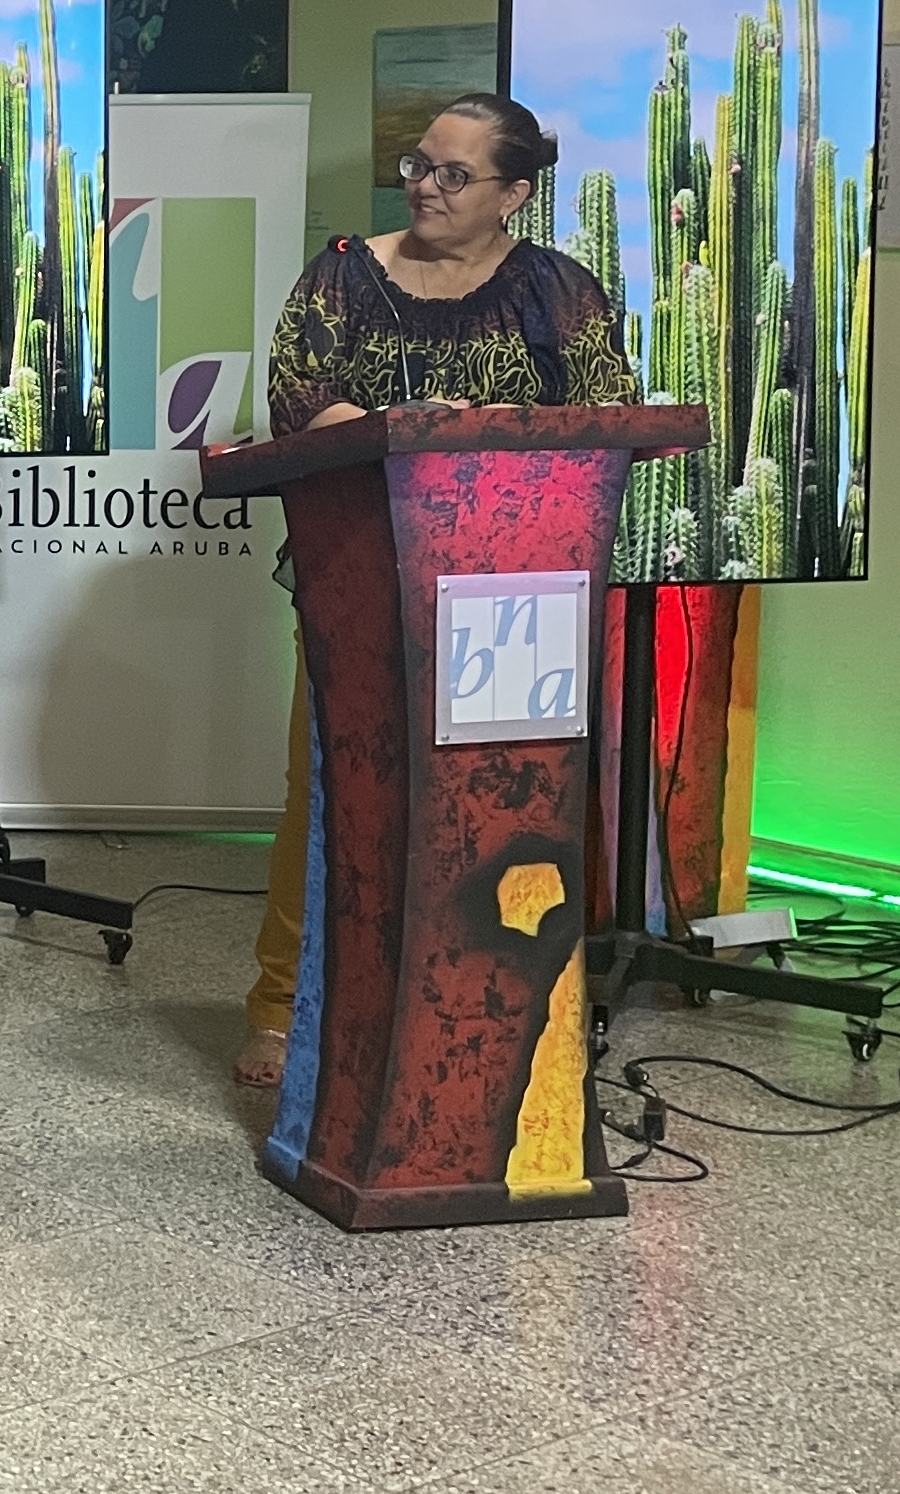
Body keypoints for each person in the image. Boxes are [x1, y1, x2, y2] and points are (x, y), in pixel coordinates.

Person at [233, 92, 636, 1090]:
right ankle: (282, 1007)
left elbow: (609, 415)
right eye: (418, 165)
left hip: (515, 597)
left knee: (499, 802)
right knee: (327, 788)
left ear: (513, 194)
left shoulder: (559, 291)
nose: (425, 186)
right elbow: (295, 401)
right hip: (361, 577)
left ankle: (492, 1006)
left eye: (455, 173)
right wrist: (409, 429)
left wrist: (487, 437)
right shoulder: (343, 277)